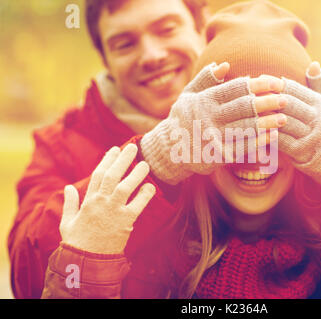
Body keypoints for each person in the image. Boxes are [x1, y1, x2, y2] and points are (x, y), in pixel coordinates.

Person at [41, 1, 321, 299]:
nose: (257, 153)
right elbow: (36, 264)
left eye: (279, 125)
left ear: (317, 138)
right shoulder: (154, 248)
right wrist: (158, 158)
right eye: (234, 123)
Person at [7, 0, 285, 298]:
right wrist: (154, 159)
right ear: (106, 60)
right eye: (124, 44)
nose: (151, 56)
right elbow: (28, 274)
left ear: (201, 25)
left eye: (166, 29)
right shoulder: (62, 143)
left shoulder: (263, 107)